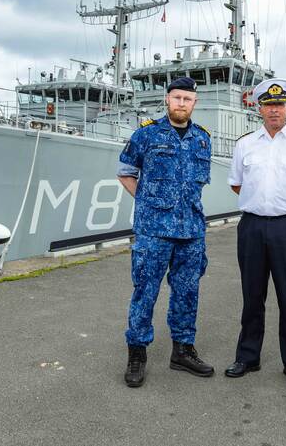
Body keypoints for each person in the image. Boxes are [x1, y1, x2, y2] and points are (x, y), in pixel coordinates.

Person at [224, 78, 286, 388]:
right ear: (260, 109)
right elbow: (236, 183)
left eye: (279, 105)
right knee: (252, 295)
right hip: (252, 226)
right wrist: (262, 202)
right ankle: (247, 357)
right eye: (268, 105)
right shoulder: (245, 144)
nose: (274, 110)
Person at [116, 76, 214, 388]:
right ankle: (137, 352)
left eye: (187, 98)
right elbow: (126, 172)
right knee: (145, 292)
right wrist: (149, 202)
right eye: (176, 98)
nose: (181, 103)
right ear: (167, 101)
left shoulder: (202, 139)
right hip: (153, 231)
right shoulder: (146, 135)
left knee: (188, 293)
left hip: (192, 231)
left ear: (194, 103)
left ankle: (182, 351)